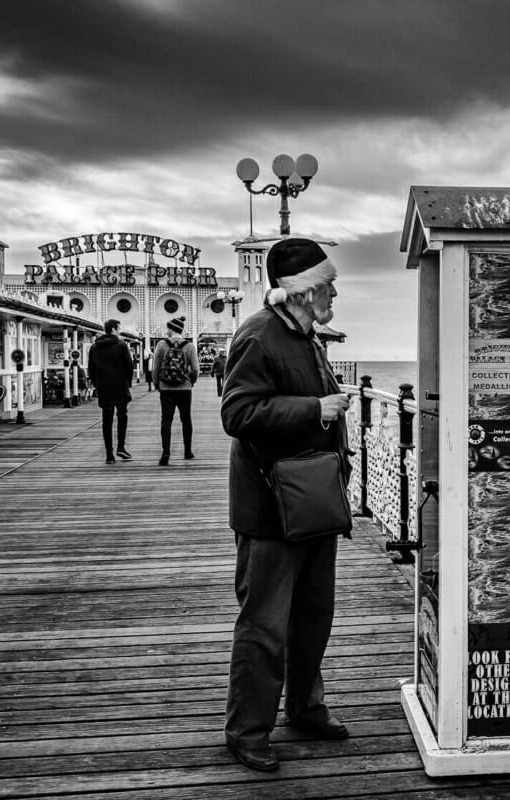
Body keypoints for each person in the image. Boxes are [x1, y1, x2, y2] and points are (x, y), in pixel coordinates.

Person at [220, 237, 351, 772]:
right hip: (271, 509)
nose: (335, 296)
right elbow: (239, 413)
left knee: (313, 617)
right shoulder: (257, 335)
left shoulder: (305, 334)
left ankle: (304, 708)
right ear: (303, 292)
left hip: (313, 501)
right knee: (265, 625)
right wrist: (315, 408)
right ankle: (247, 731)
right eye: (328, 288)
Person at [152, 316, 199, 465]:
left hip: (166, 388)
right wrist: (190, 382)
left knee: (166, 420)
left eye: (168, 328)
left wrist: (157, 384)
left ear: (172, 329)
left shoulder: (161, 344)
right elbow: (195, 369)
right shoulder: (190, 346)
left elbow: (155, 368)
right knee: (186, 419)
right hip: (184, 388)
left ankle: (165, 453)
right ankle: (188, 451)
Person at [87, 318, 134, 464]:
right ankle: (121, 446)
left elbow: (91, 370)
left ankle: (109, 455)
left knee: (106, 421)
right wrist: (127, 383)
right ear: (113, 329)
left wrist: (98, 384)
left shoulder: (94, 347)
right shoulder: (121, 345)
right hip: (120, 386)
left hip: (104, 387)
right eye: (119, 329)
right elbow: (129, 367)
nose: (120, 332)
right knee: (122, 416)